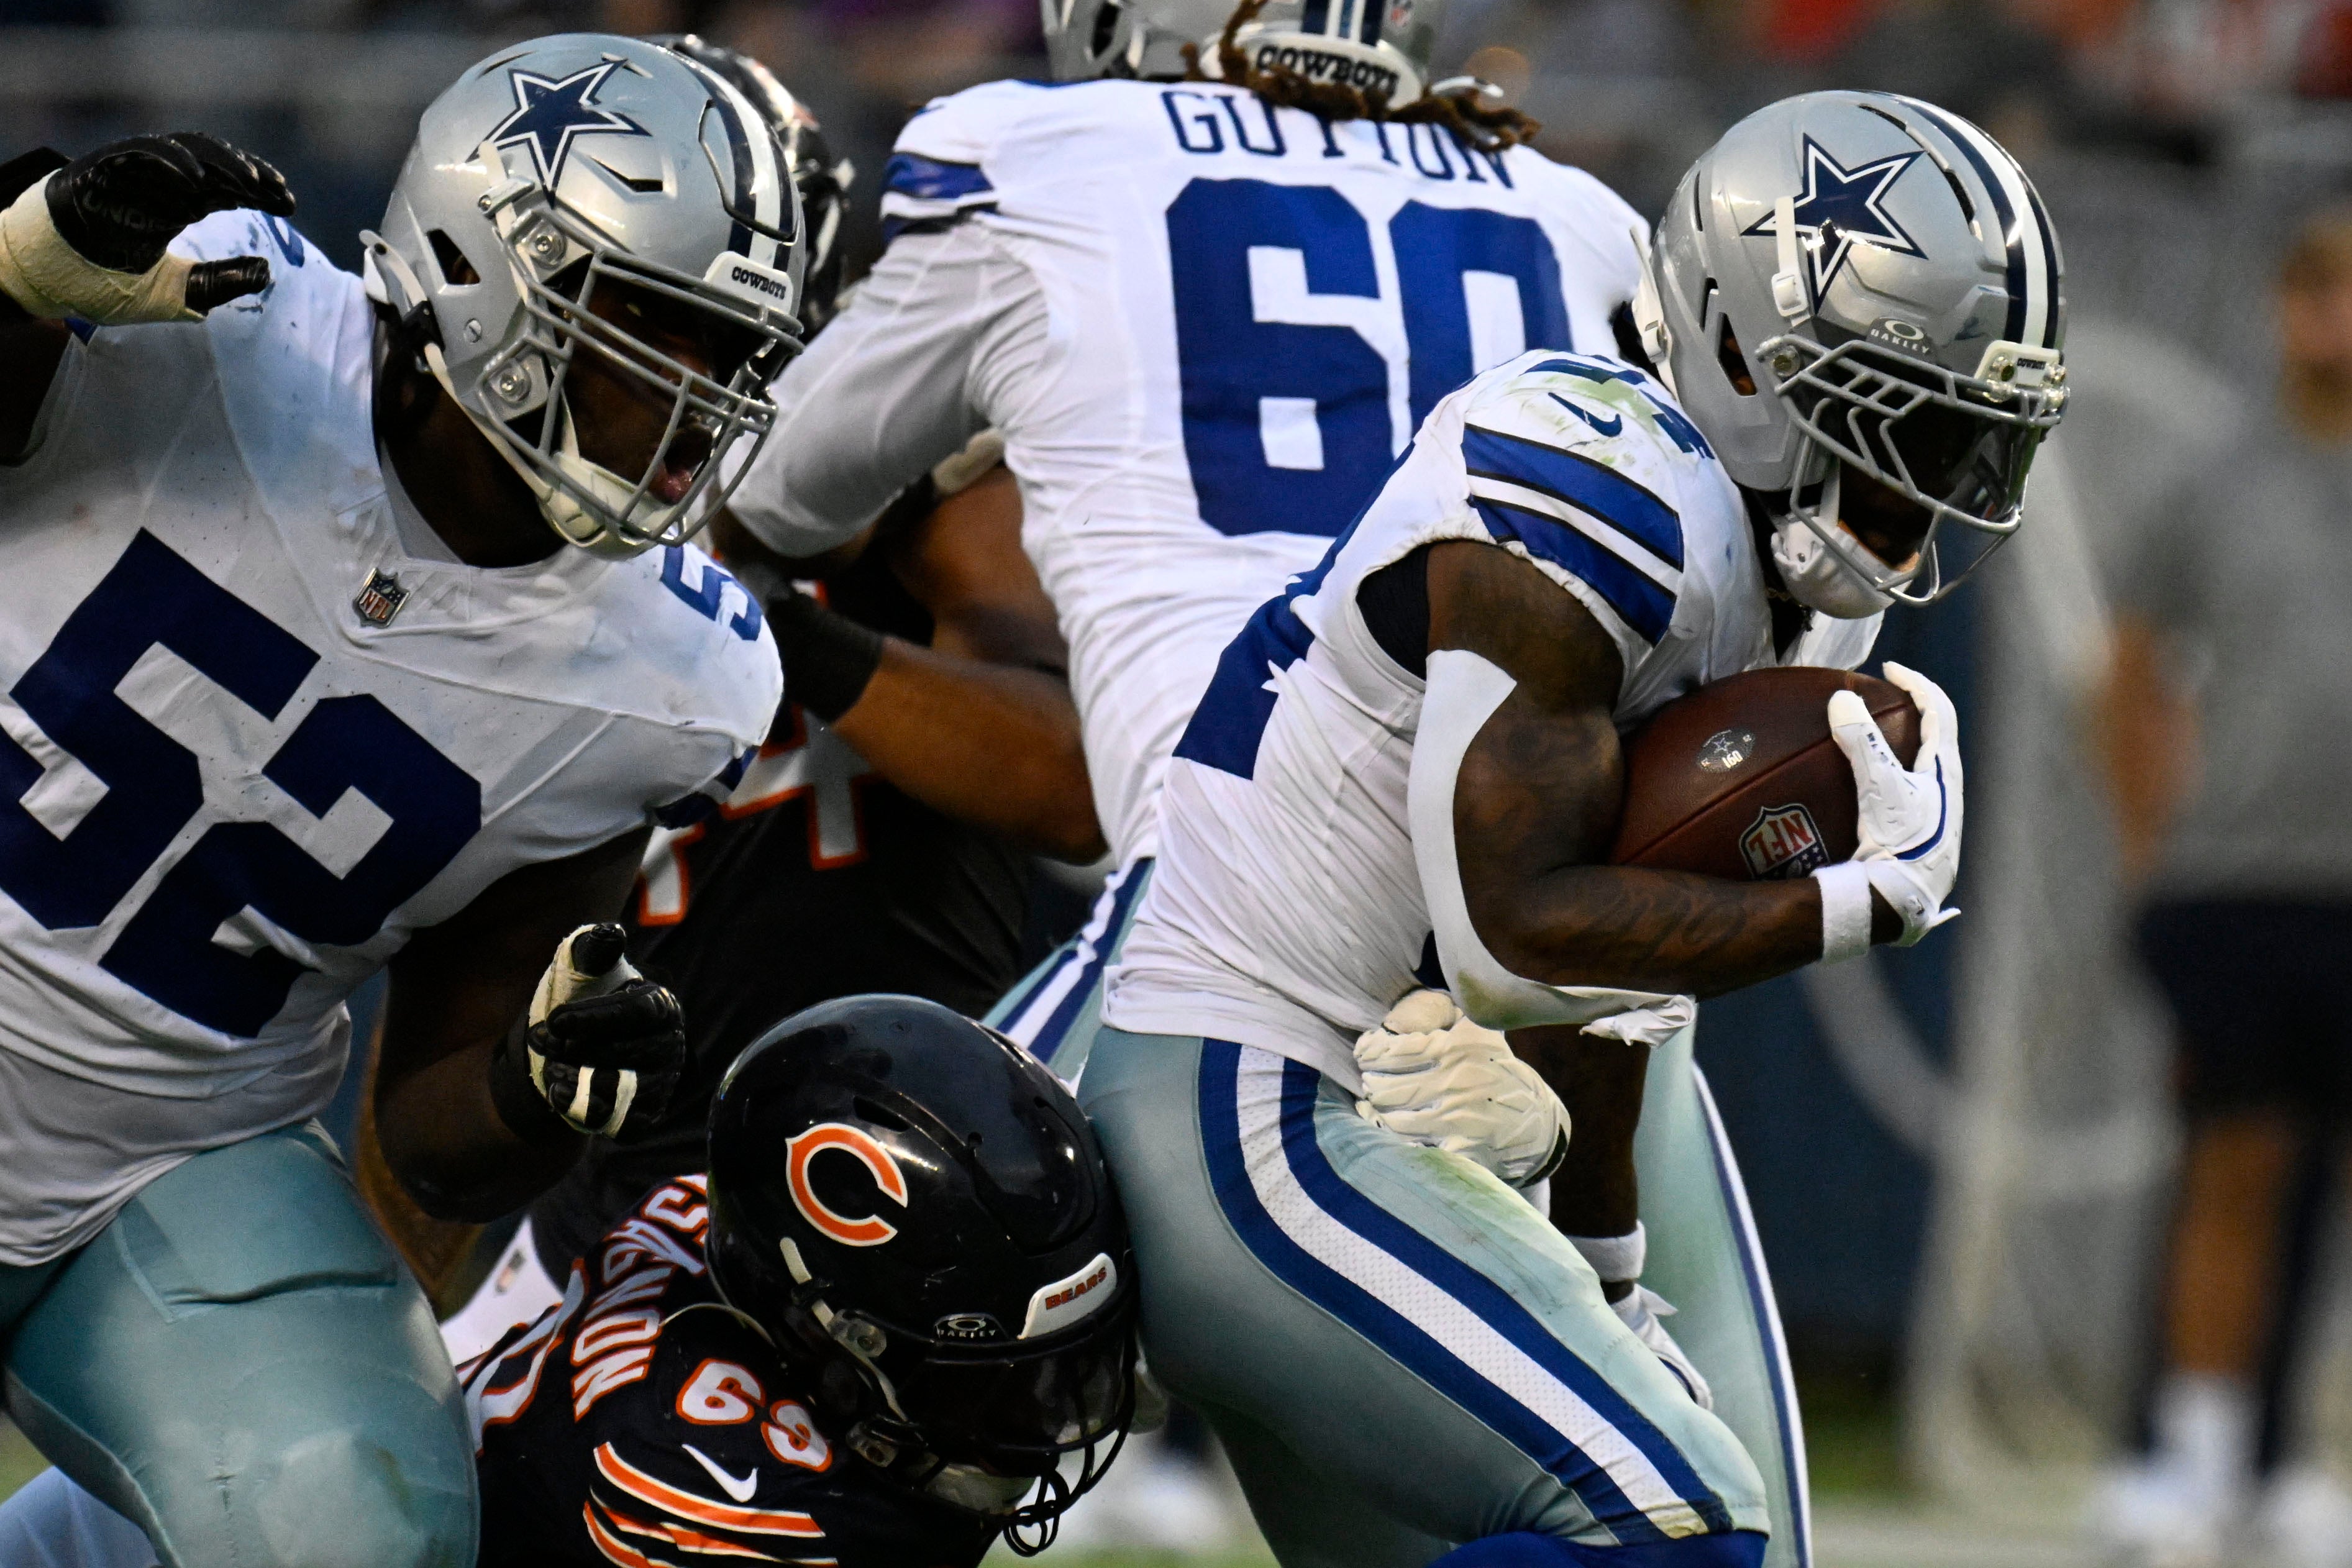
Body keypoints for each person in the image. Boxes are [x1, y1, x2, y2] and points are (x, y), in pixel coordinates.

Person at [1087, 88, 2062, 1565]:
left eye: (1964, 438)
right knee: (1671, 1522)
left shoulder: (1784, 565)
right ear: (1743, 351)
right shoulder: (1589, 480)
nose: (1923, 491)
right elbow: (1515, 932)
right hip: (1252, 1100)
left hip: (1381, 1119)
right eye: (1895, 419)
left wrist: (1605, 1269)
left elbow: (1621, 994)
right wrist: (1864, 902)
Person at [0, 33, 808, 1567]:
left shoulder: (669, 674)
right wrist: (22, 275)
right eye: (655, 325)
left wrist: (538, 1082)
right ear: (482, 258)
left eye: (730, 356)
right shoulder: (212, 315)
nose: (693, 401)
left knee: (359, 1517)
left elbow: (435, 1130)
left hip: (164, 1168)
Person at [396, 36, 1100, 1364]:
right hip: (589, 1187)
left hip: (896, 1157)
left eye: (718, 324)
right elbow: (443, 999)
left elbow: (1067, 781)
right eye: (635, 304)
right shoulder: (453, 508)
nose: (674, 362)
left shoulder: (902, 474)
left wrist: (757, 628)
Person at [0, 996, 1141, 1568]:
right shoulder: (741, 1518)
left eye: (1059, 1371)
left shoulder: (709, 1229)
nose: (1046, 1417)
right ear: (821, 1326)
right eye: (994, 1381)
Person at [2087, 207, 2352, 1568]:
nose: (2333, 310)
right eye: (2312, 281)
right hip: (2243, 884)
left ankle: (2294, 1457)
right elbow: (2129, 670)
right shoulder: (2218, 481)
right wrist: (2156, 850)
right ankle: (2188, 1458)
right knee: (2234, 1168)